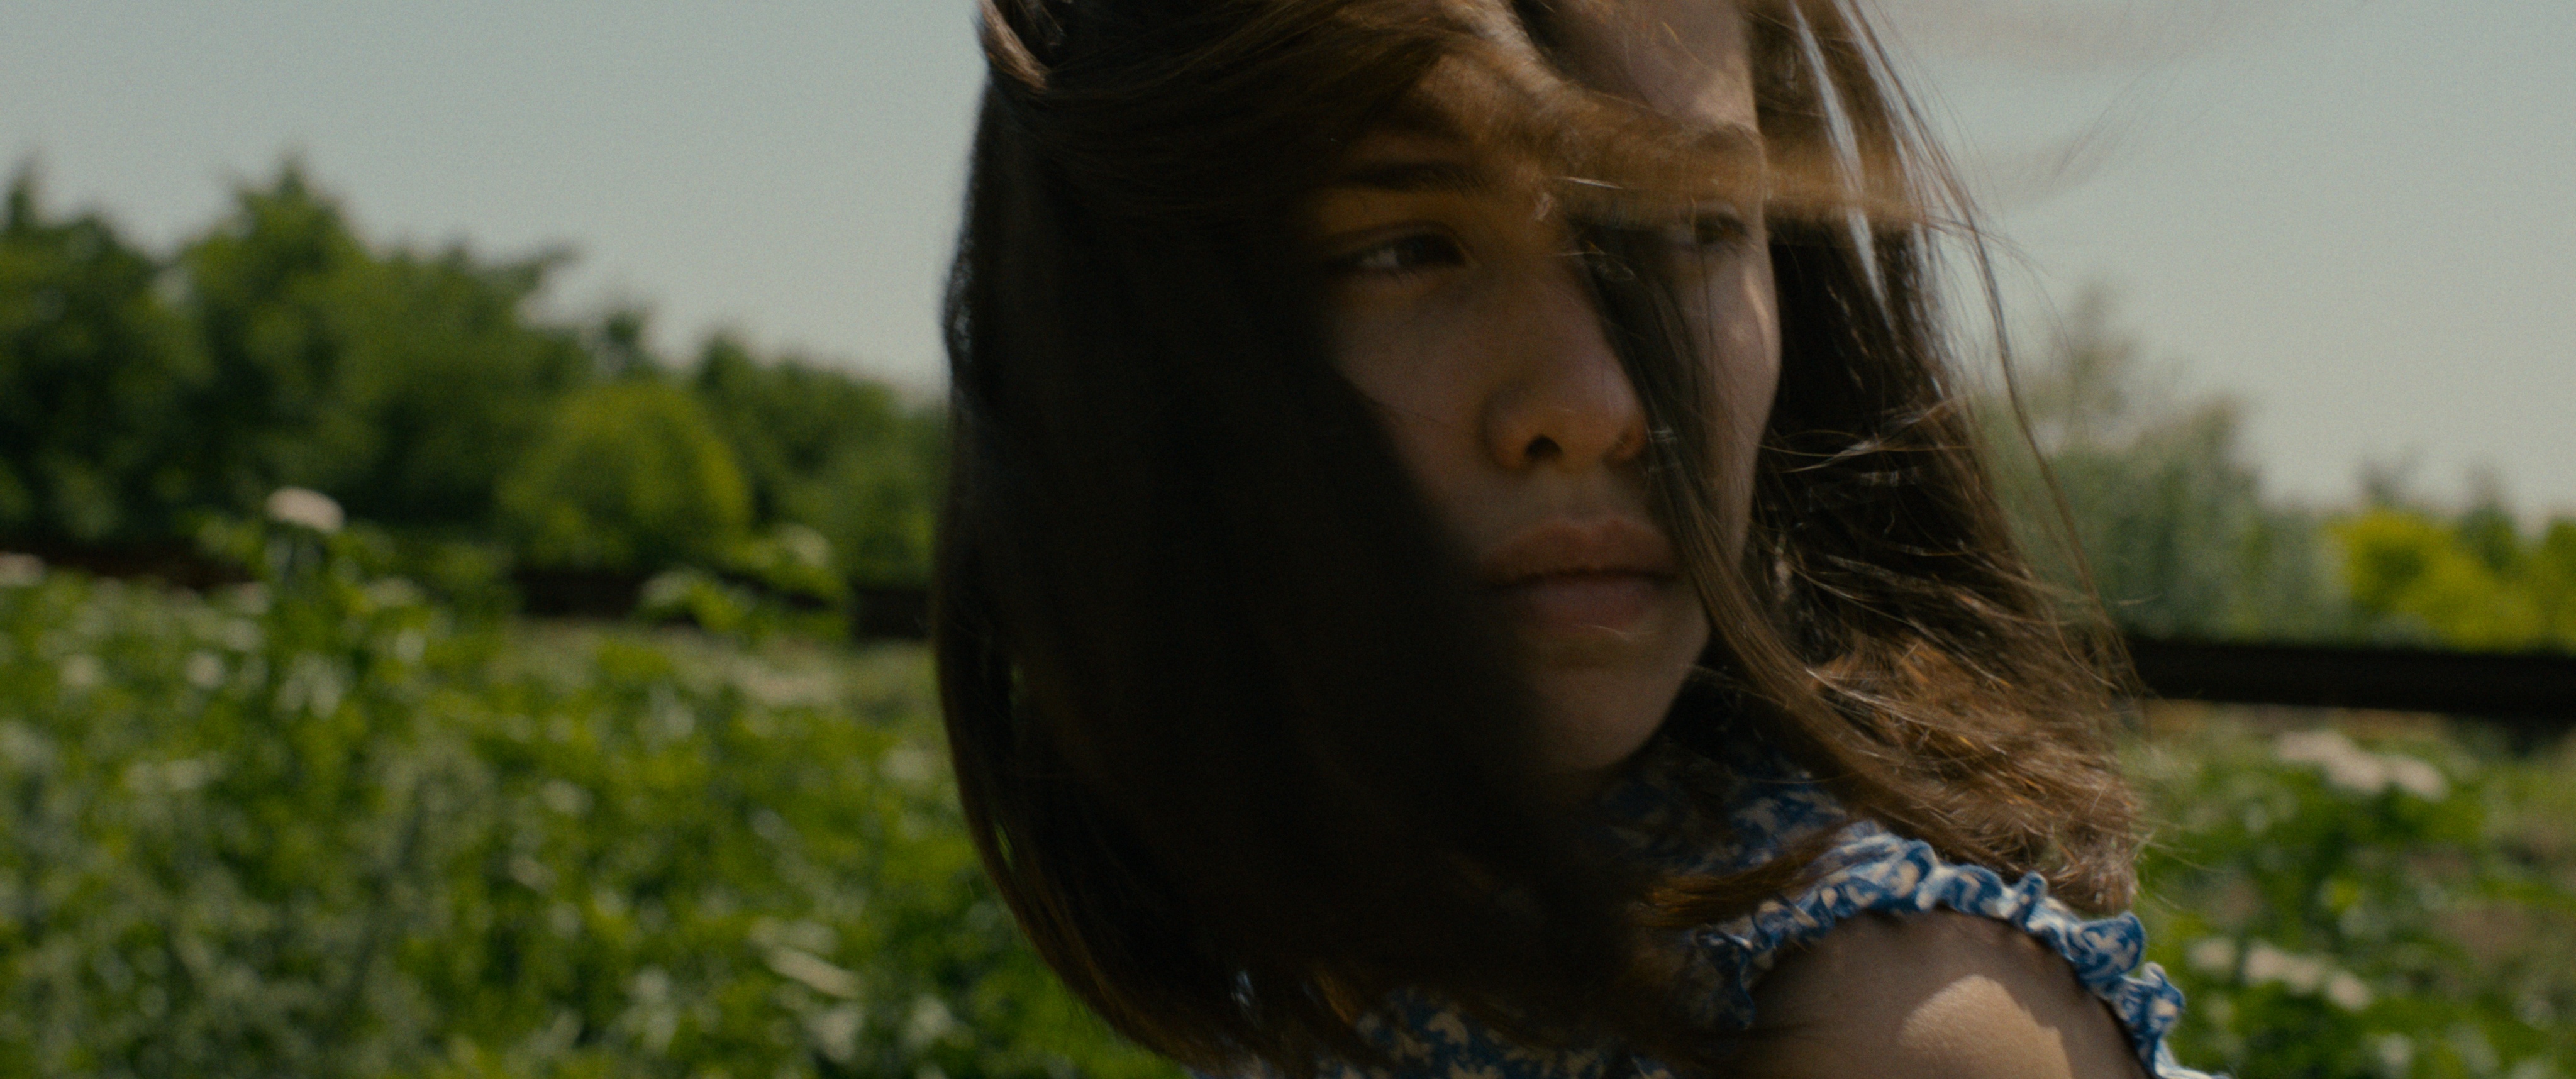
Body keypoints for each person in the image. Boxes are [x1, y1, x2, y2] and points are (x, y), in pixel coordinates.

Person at [936, 0, 2212, 1076]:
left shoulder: (1881, 1027)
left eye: (1698, 227)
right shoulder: (1372, 935)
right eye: (1404, 249)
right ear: (1118, 345)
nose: (1595, 406)